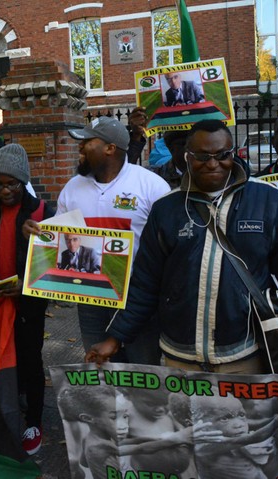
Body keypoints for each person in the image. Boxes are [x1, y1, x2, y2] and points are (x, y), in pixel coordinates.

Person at [86, 120, 278, 373]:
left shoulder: (268, 200)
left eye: (223, 155)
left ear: (233, 153)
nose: (213, 163)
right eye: (202, 156)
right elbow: (146, 282)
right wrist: (115, 337)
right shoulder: (166, 208)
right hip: (179, 355)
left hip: (245, 352)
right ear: (187, 157)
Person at [26, 116, 170, 365]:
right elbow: (60, 238)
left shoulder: (151, 186)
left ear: (110, 148)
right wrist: (37, 234)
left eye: (86, 142)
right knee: (99, 367)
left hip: (137, 299)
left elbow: (167, 245)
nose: (79, 149)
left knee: (142, 369)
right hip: (91, 298)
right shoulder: (72, 188)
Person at [0, 143, 54, 455]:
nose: (4, 190)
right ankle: (5, 410)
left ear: (23, 181)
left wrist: (26, 288)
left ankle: (33, 421)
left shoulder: (43, 212)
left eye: (11, 184)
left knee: (30, 360)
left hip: (27, 304)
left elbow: (53, 262)